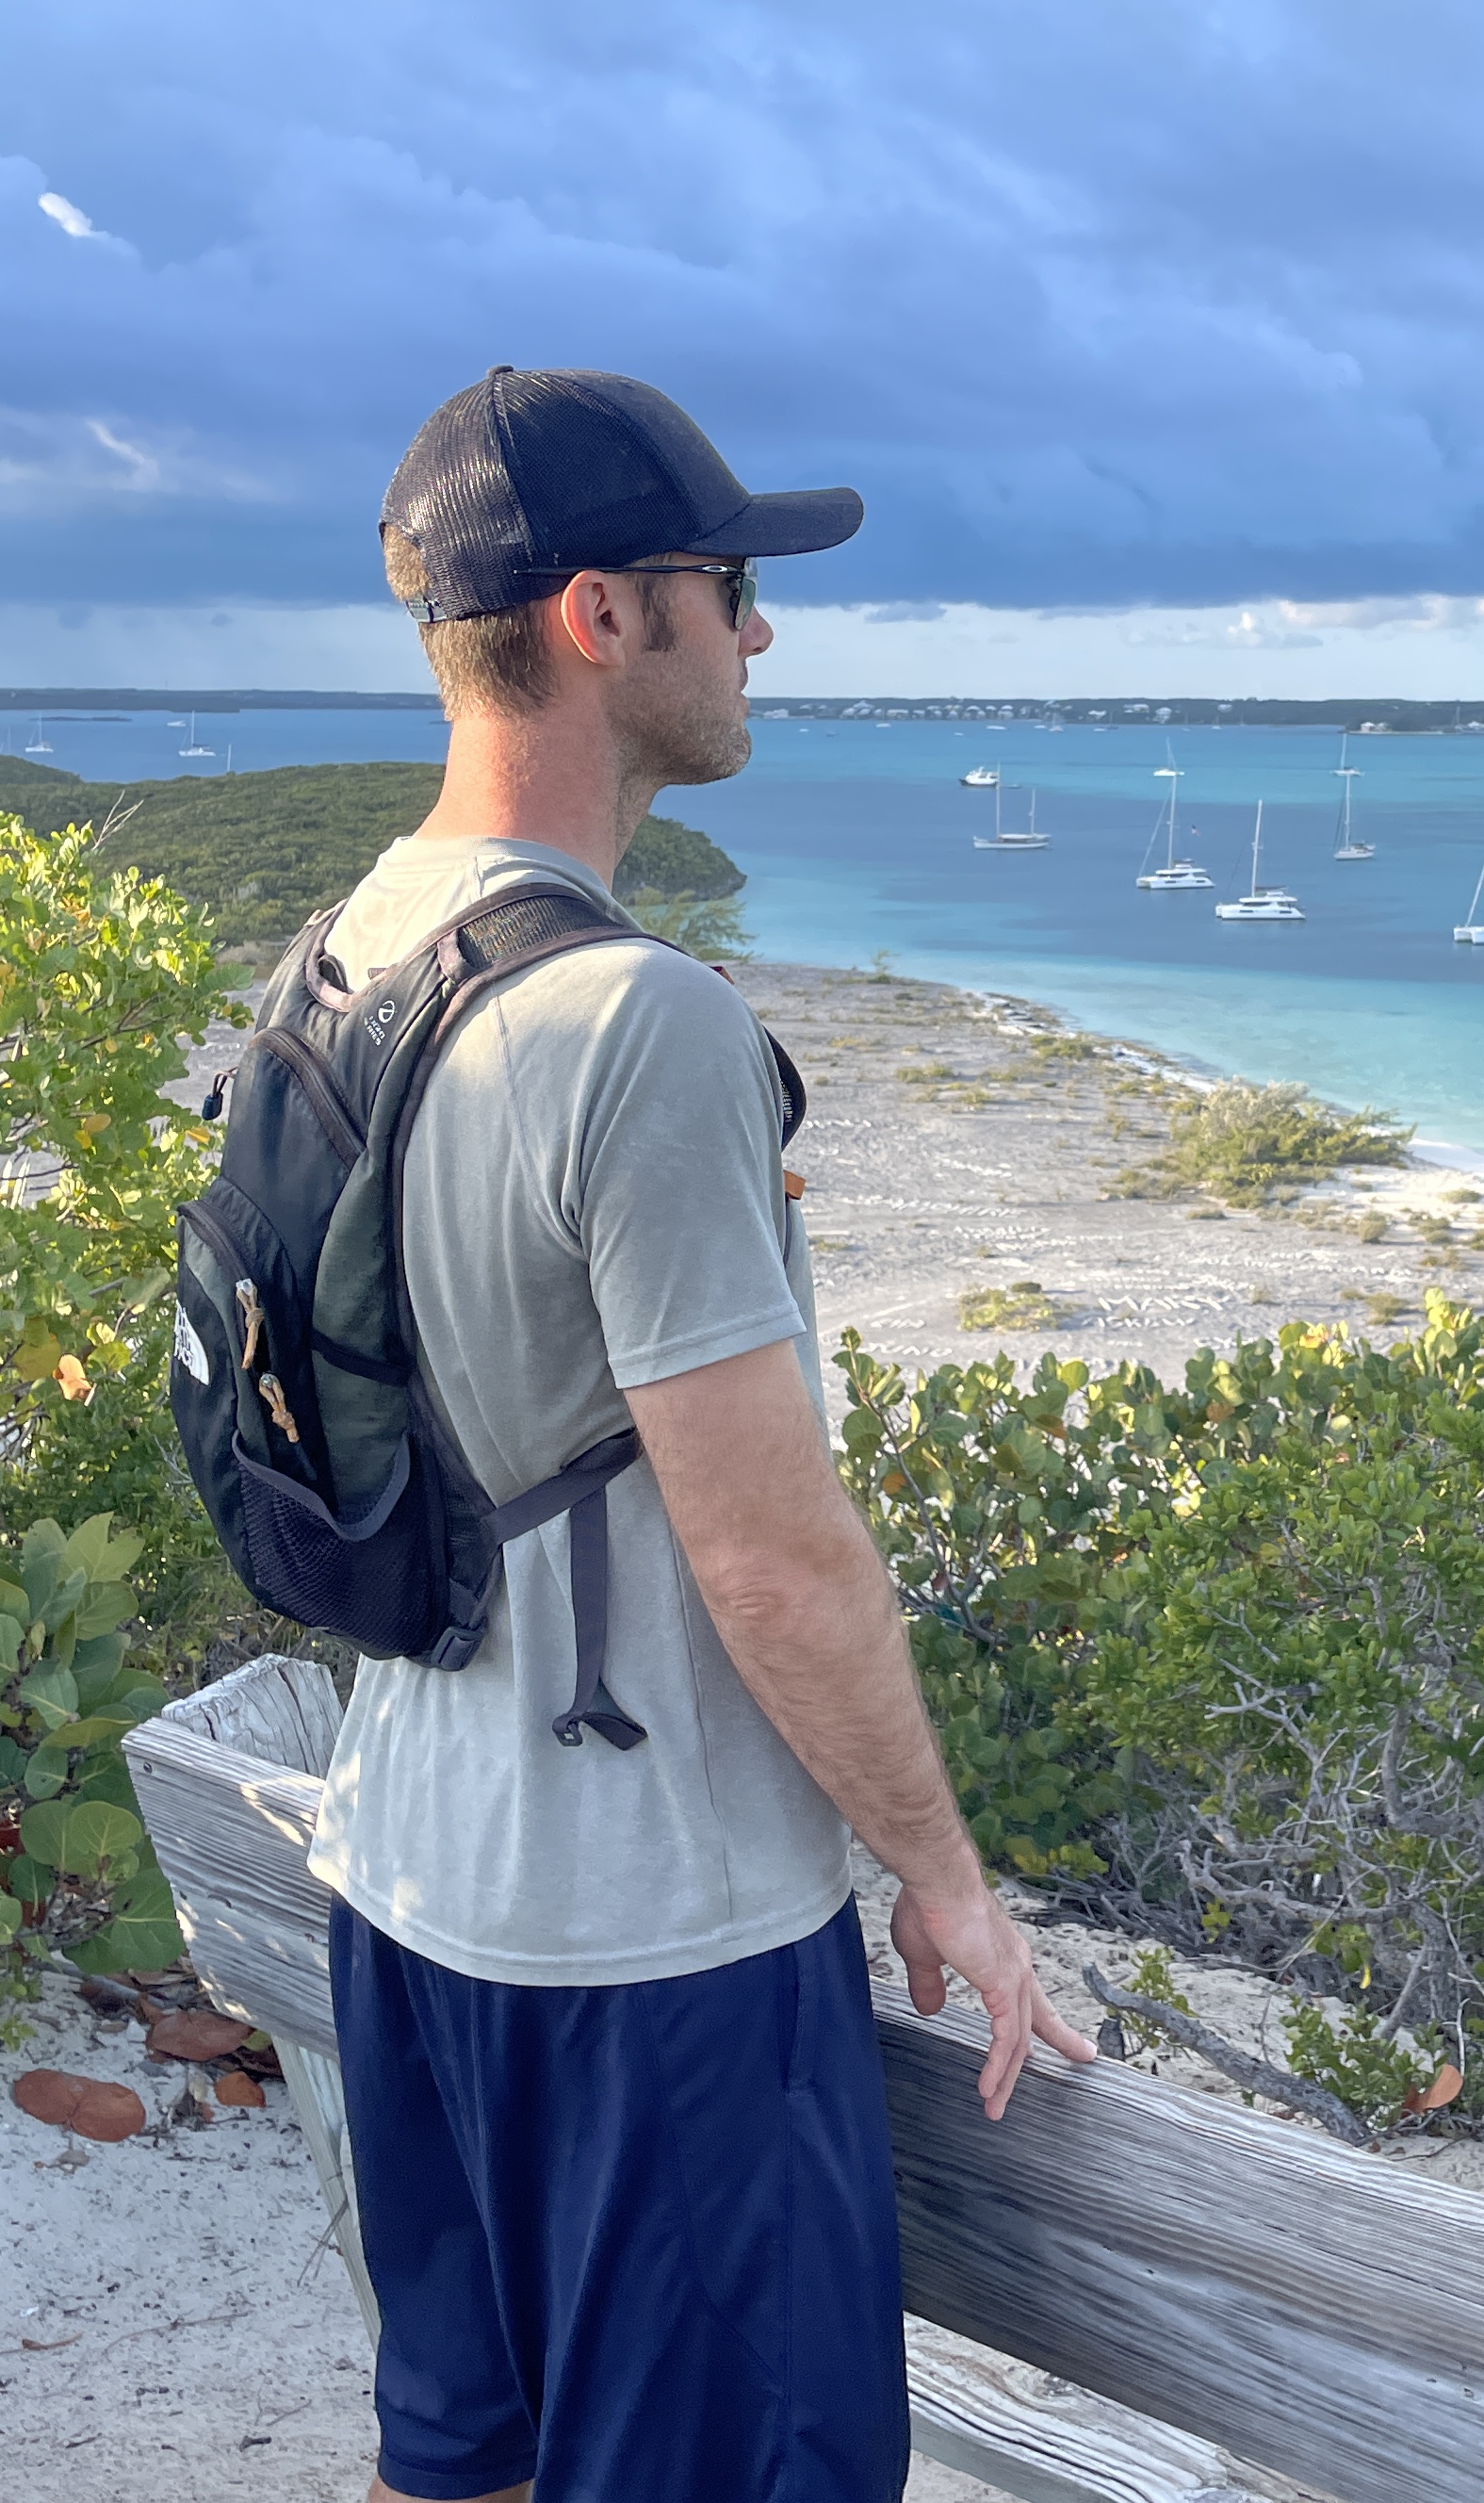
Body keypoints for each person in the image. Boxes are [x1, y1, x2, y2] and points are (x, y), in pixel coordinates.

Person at [306, 367, 1095, 2503]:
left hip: (402, 1879)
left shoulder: (356, 943)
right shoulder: (636, 1022)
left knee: (453, 2456)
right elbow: (774, 1559)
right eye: (727, 585)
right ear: (599, 618)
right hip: (644, 1950)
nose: (761, 632)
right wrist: (946, 1880)